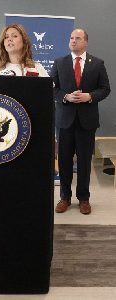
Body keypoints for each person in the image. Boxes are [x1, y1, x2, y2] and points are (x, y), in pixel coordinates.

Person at [51, 29, 110, 214]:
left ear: (86, 42)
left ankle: (84, 199)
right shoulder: (59, 63)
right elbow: (52, 89)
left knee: (84, 162)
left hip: (87, 122)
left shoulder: (97, 63)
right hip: (64, 120)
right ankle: (65, 197)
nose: (73, 41)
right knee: (65, 161)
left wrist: (89, 96)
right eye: (71, 38)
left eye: (77, 38)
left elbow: (105, 89)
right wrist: (66, 96)